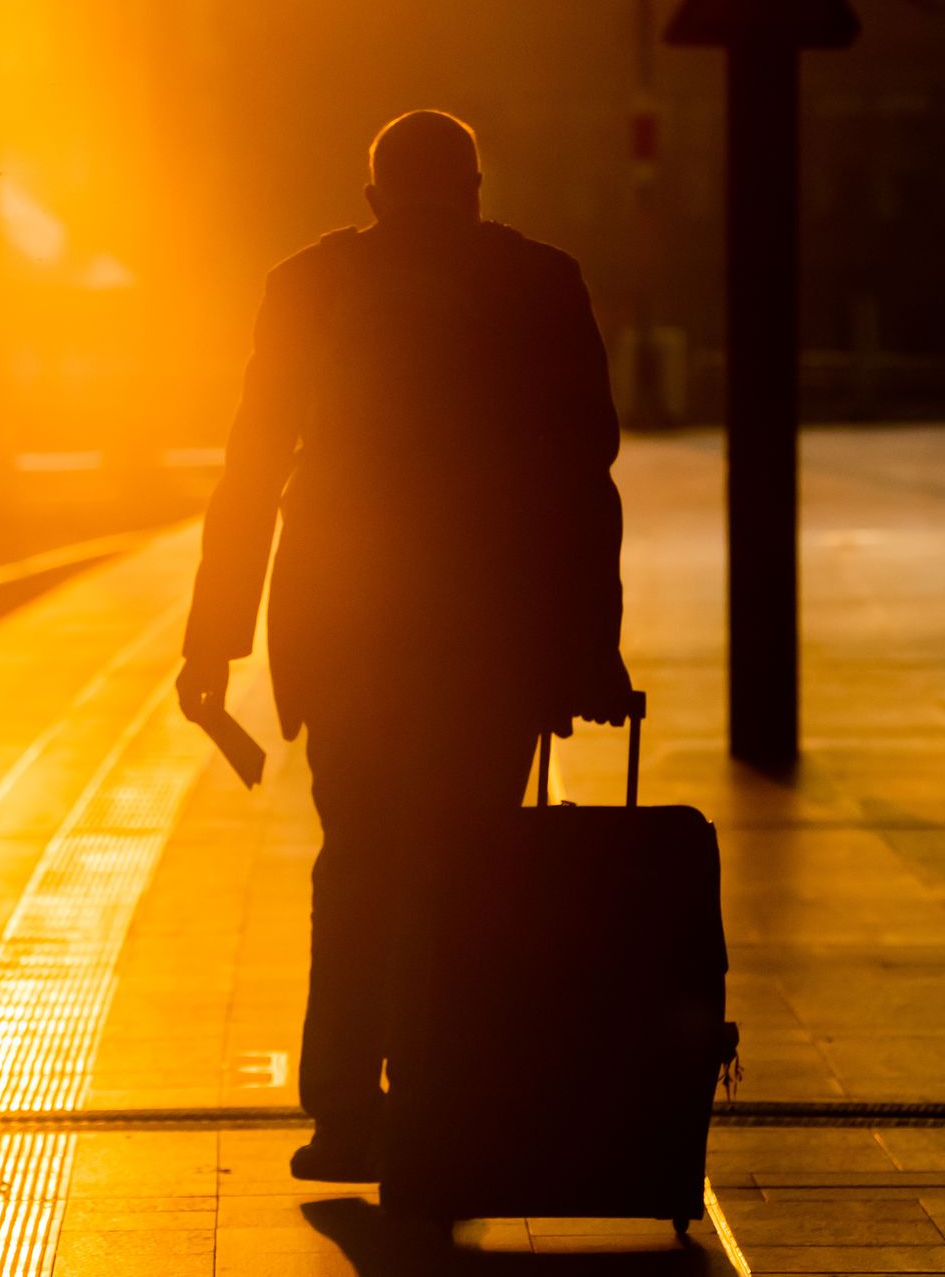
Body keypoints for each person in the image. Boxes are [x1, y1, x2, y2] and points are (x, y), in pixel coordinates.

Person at [175, 110, 631, 1182]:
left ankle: (342, 1108)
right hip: (491, 627)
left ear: (372, 196)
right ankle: (446, 1099)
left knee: (360, 858)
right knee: (469, 864)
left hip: (341, 626)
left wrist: (214, 641)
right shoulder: (538, 280)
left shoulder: (307, 282)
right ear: (475, 188)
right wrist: (588, 648)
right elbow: (581, 478)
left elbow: (249, 468)